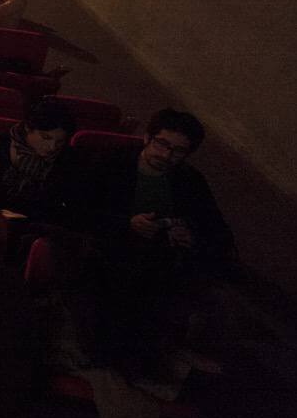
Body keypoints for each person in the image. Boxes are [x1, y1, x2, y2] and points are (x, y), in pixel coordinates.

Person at [63, 110, 235, 380]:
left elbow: (217, 232)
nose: (166, 155)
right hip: (108, 253)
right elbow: (75, 213)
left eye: (178, 151)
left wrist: (191, 236)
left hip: (162, 261)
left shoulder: (189, 181)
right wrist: (126, 224)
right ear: (146, 138)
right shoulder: (111, 164)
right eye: (162, 144)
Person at [0, 99, 79, 222]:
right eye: (46, 138)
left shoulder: (67, 160)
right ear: (28, 129)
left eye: (60, 141)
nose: (52, 147)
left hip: (34, 229)